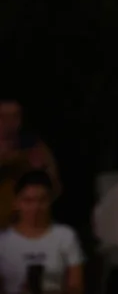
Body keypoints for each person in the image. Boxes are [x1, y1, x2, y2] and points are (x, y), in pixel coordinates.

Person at [0, 171, 83, 294]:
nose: (35, 207)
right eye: (28, 201)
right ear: (17, 203)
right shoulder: (3, 241)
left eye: (42, 200)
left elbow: (76, 286)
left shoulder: (65, 236)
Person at [0, 96, 60, 229]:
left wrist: (41, 173)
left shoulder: (33, 147)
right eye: (2, 117)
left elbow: (55, 188)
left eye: (14, 116)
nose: (8, 123)